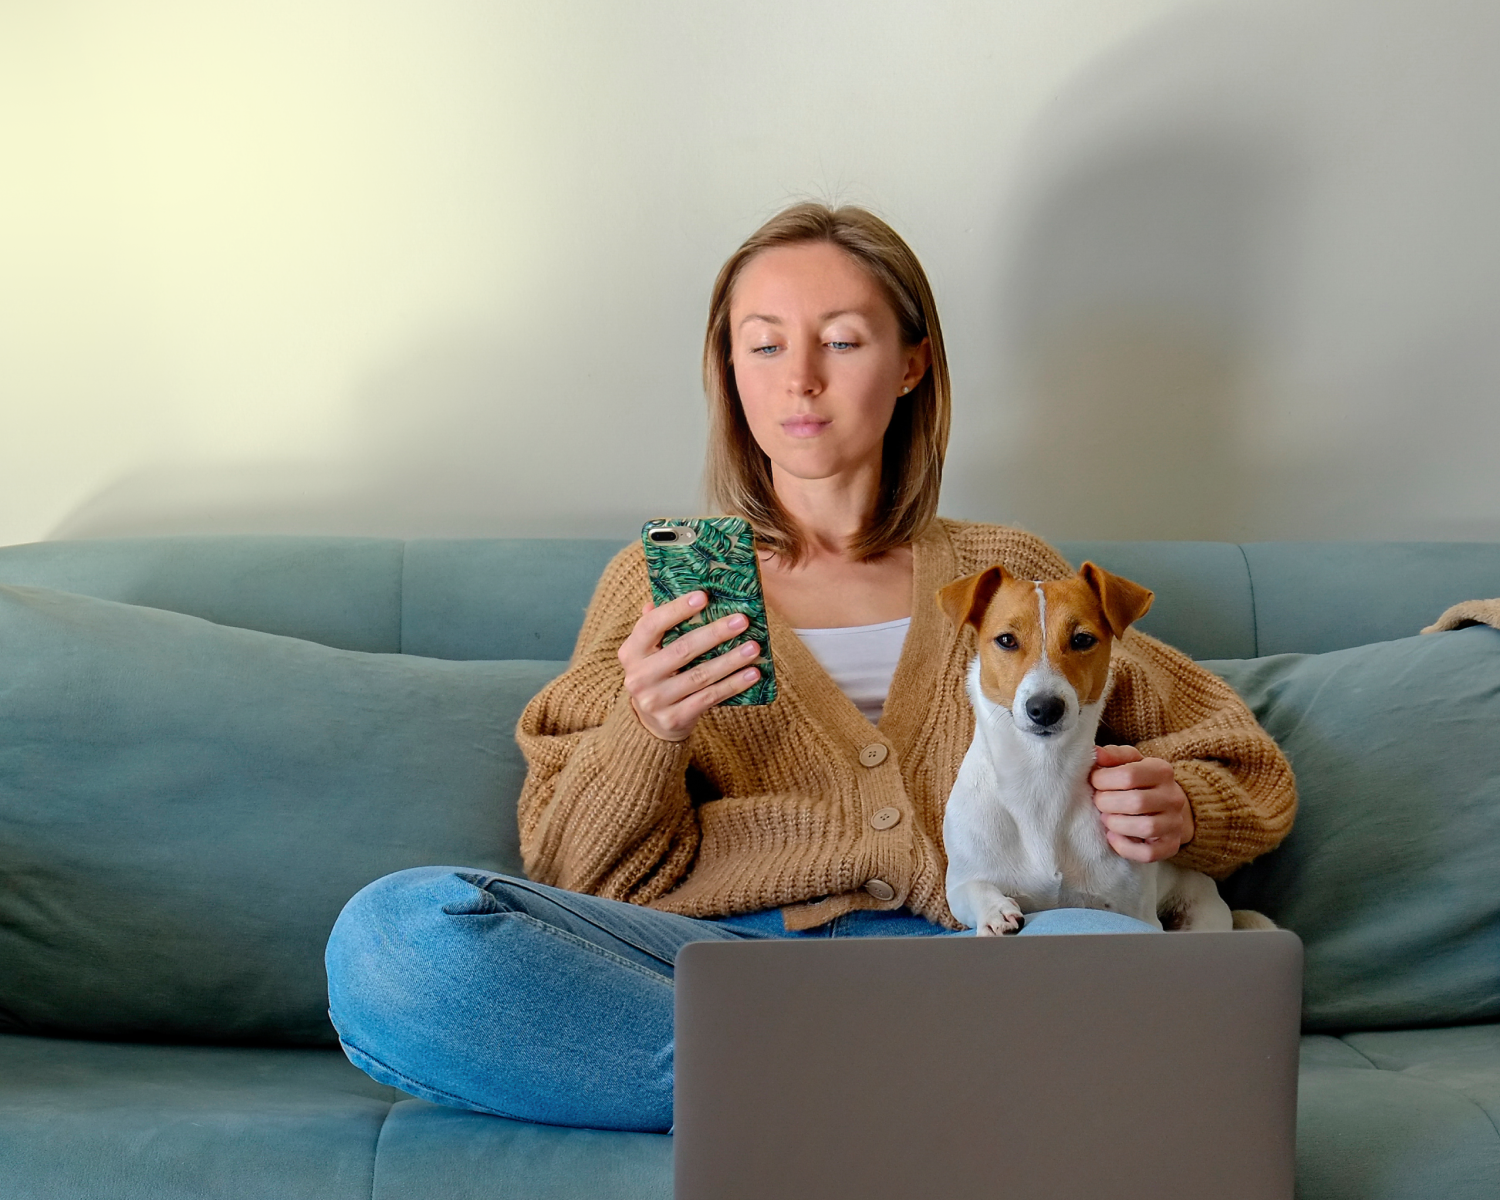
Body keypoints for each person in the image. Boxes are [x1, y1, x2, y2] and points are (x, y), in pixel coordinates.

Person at [325, 203, 1296, 1134]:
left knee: (1109, 960)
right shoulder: (657, 587)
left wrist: (1183, 807)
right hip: (720, 965)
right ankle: (931, 1101)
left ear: (912, 364)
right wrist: (646, 730)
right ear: (729, 371)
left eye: (840, 340)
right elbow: (577, 872)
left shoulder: (1008, 577)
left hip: (978, 954)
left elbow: (1244, 763)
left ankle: (821, 1103)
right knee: (396, 941)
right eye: (764, 343)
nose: (800, 379)